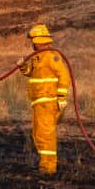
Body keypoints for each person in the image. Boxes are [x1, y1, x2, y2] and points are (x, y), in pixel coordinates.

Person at [16, 23, 72, 176]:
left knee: (46, 134)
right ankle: (44, 164)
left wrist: (61, 97)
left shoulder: (52, 56)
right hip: (38, 102)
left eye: (33, 40)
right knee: (39, 134)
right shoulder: (37, 57)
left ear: (39, 40)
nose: (32, 43)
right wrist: (22, 66)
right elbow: (31, 73)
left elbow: (64, 76)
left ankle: (49, 168)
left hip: (48, 101)